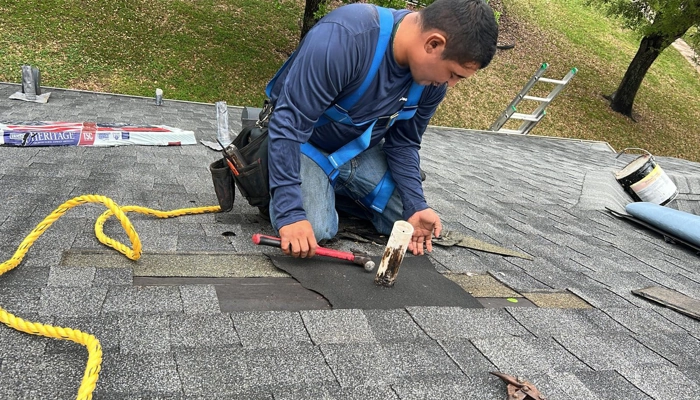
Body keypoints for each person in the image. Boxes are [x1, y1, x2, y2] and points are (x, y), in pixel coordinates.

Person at [265, 0, 498, 259]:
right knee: (314, 230)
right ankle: (286, 186)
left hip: (355, 153)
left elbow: (404, 143)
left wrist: (416, 204)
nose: (450, 84)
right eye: (454, 74)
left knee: (409, 226)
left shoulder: (430, 83)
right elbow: (288, 125)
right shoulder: (346, 37)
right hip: (304, 144)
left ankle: (330, 191)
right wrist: (291, 213)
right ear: (434, 43)